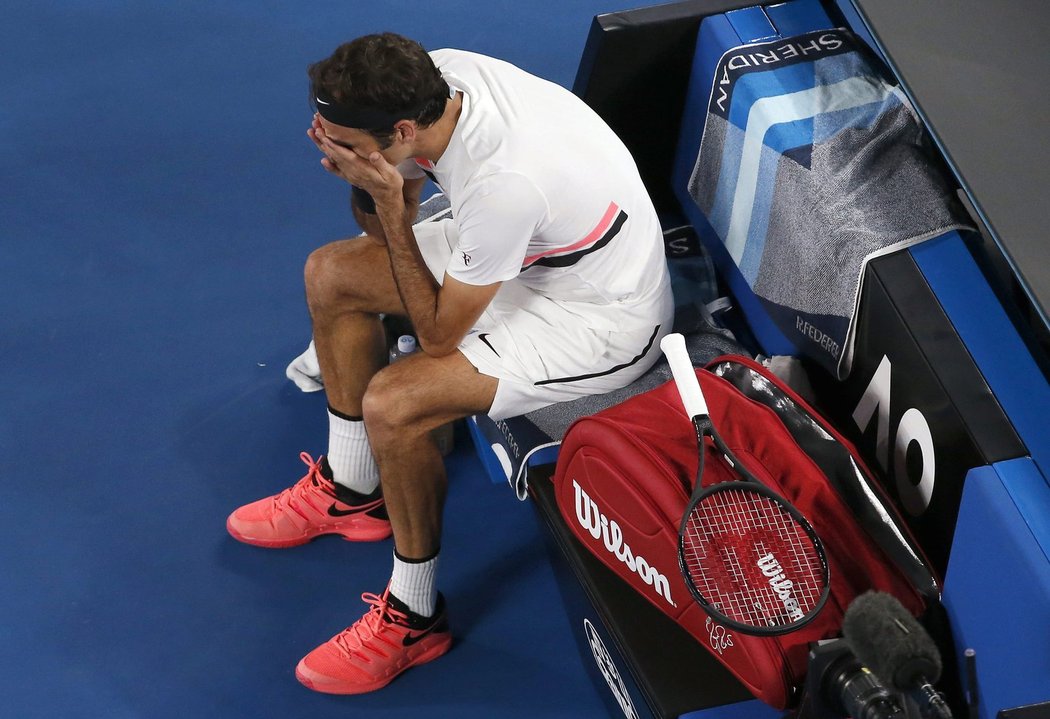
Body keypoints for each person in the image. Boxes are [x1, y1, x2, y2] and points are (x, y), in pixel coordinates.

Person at [226, 32, 673, 695]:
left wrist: (385, 202)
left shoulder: (504, 182)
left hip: (597, 315)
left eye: (347, 142)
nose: (334, 148)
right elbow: (389, 227)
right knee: (330, 273)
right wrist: (373, 187)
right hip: (525, 255)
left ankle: (414, 617)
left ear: (401, 130)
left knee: (396, 402)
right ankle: (353, 491)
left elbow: (435, 334)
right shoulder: (438, 80)